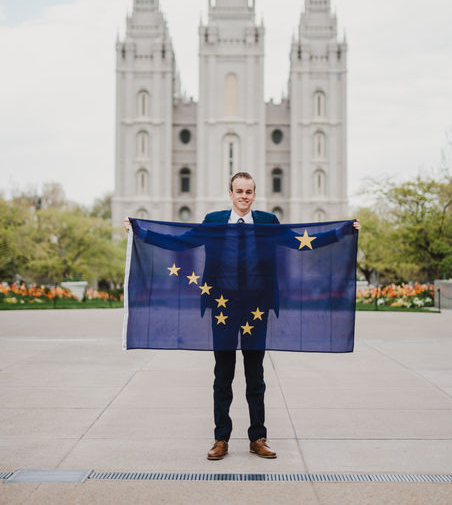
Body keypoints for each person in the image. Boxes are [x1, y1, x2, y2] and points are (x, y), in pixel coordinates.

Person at [124, 171, 361, 461]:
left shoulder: (267, 222)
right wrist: (141, 232)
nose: (244, 196)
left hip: (255, 308)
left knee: (255, 376)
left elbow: (301, 242)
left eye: (249, 192)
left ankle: (257, 438)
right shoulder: (214, 221)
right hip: (223, 308)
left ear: (255, 195)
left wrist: (341, 232)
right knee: (222, 376)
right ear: (231, 194)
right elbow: (181, 242)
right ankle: (220, 439)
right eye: (239, 191)